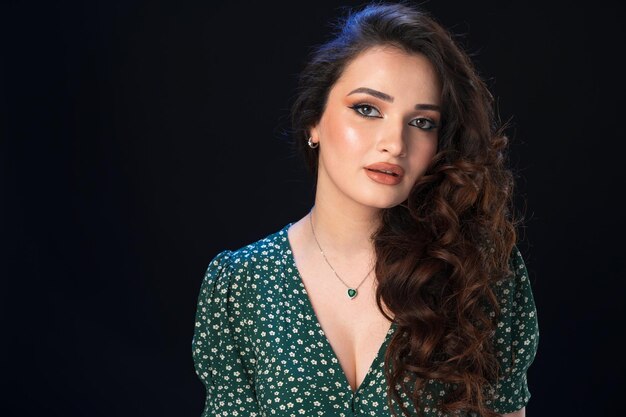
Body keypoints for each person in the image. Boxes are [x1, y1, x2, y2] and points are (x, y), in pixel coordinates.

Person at [191, 2, 539, 417]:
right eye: (367, 109)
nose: (395, 142)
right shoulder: (238, 285)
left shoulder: (478, 271)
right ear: (313, 122)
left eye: (422, 122)